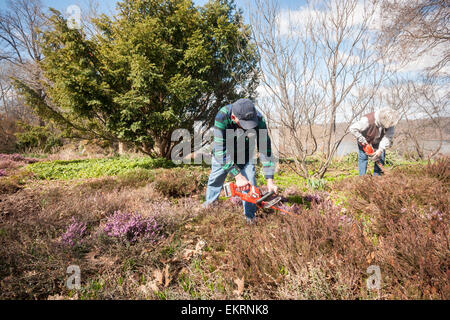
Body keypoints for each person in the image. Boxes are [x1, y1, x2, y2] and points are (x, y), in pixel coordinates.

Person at [203, 98, 277, 223]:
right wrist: (238, 176)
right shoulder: (222, 116)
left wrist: (270, 180)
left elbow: (265, 150)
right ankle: (209, 210)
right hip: (224, 153)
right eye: (244, 124)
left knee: (250, 184)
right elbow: (220, 151)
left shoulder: (258, 119)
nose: (248, 127)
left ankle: (250, 218)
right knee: (215, 180)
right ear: (233, 117)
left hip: (245, 154)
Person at [349, 107, 400, 176]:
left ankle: (377, 177)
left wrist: (380, 150)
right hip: (365, 140)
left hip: (378, 140)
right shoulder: (366, 121)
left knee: (381, 156)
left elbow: (388, 137)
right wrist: (363, 141)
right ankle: (362, 178)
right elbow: (352, 128)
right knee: (363, 157)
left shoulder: (390, 121)